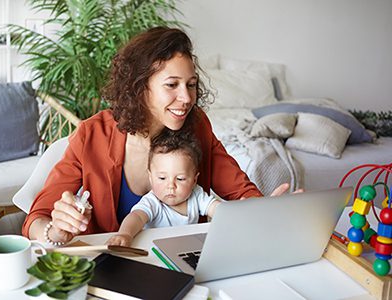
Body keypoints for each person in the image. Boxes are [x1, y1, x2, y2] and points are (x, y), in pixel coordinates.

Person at [22, 26, 292, 246]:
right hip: (111, 266)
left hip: (182, 260)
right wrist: (54, 232)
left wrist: (265, 212)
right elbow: (37, 218)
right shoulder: (92, 134)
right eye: (172, 85)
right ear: (140, 87)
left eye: (191, 85)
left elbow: (240, 192)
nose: (186, 98)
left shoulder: (198, 126)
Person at [107, 129, 222, 246]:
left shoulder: (196, 195)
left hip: (186, 249)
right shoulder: (153, 202)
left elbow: (217, 209)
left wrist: (233, 218)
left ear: (194, 180)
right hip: (155, 251)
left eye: (180, 179)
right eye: (162, 178)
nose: (171, 186)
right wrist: (125, 234)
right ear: (151, 177)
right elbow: (136, 217)